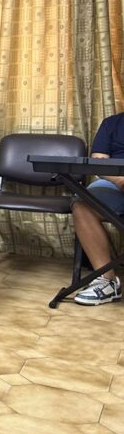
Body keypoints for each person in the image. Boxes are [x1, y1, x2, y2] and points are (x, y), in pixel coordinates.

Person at [73, 112, 124, 305]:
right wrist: (120, 180)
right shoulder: (112, 123)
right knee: (83, 205)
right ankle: (106, 281)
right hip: (114, 182)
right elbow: (98, 161)